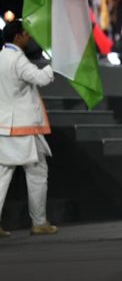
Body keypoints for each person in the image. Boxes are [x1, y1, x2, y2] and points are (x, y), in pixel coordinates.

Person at [0, 21, 58, 237]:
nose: (29, 37)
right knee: (37, 173)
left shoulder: (1, 56)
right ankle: (39, 222)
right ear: (18, 37)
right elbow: (41, 78)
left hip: (4, 126)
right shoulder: (17, 59)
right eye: (26, 34)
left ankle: (40, 221)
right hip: (22, 127)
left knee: (2, 176)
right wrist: (56, 65)